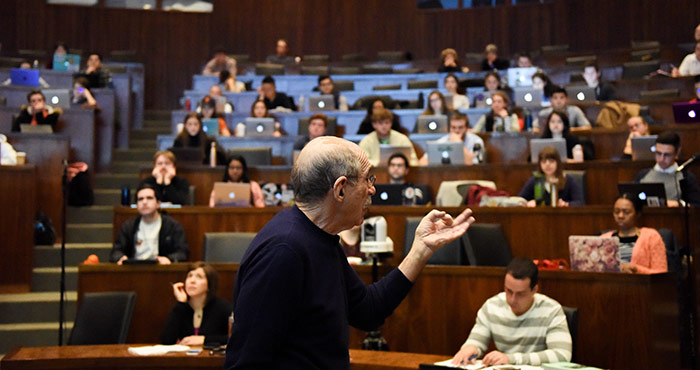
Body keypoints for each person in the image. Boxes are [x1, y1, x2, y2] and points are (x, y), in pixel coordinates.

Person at [224, 135, 475, 369]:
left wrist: (421, 248)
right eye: (368, 179)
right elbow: (246, 361)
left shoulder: (322, 238)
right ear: (340, 189)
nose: (372, 189)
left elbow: (367, 311)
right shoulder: (284, 252)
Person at [450, 258, 572, 366]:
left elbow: (562, 354)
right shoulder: (492, 306)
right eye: (509, 291)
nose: (512, 299)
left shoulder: (551, 310)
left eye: (520, 294)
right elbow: (475, 341)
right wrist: (470, 348)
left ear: (534, 290)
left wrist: (512, 358)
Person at [110, 183, 189, 264]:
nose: (144, 202)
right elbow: (116, 252)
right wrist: (121, 258)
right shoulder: (128, 226)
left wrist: (169, 259)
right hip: (134, 270)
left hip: (160, 270)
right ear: (137, 205)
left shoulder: (173, 226)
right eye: (140, 199)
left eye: (149, 198)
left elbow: (182, 253)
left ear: (158, 203)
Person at [161, 262, 231, 346]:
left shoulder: (222, 307)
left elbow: (235, 337)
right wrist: (181, 303)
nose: (192, 281)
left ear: (209, 284)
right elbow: (166, 340)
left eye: (199, 277)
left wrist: (204, 339)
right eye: (190, 276)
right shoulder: (181, 307)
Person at [600, 194, 668, 274]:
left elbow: (661, 274)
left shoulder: (651, 236)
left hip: (641, 284)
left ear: (637, 214)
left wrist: (635, 269)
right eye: (617, 212)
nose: (620, 216)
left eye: (626, 212)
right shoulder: (604, 239)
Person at [634, 131, 700, 207]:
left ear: (677, 153)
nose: (662, 159)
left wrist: (678, 204)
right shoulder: (642, 175)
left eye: (667, 155)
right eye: (658, 153)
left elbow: (696, 206)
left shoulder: (687, 178)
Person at [518, 146, 584, 207]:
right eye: (544, 162)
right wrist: (527, 203)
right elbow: (519, 201)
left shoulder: (568, 180)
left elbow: (580, 202)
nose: (547, 165)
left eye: (551, 161)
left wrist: (566, 204)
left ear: (557, 163)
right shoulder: (535, 180)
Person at [419, 112, 485, 165]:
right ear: (449, 128)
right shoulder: (442, 141)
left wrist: (458, 143)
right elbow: (422, 162)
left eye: (460, 127)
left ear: (466, 128)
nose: (456, 131)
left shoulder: (476, 141)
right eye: (453, 127)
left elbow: (471, 164)